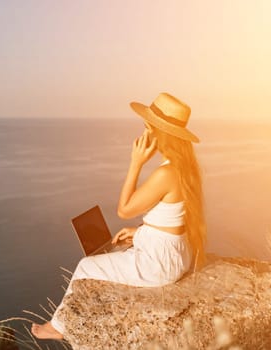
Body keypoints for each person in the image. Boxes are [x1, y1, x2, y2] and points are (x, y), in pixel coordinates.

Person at [31, 92, 206, 340]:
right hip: (177, 253)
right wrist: (141, 233)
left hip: (160, 263)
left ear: (160, 132)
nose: (144, 133)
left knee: (86, 266)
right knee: (116, 250)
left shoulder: (165, 174)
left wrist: (135, 163)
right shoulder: (186, 169)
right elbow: (174, 219)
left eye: (148, 127)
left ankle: (58, 327)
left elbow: (124, 210)